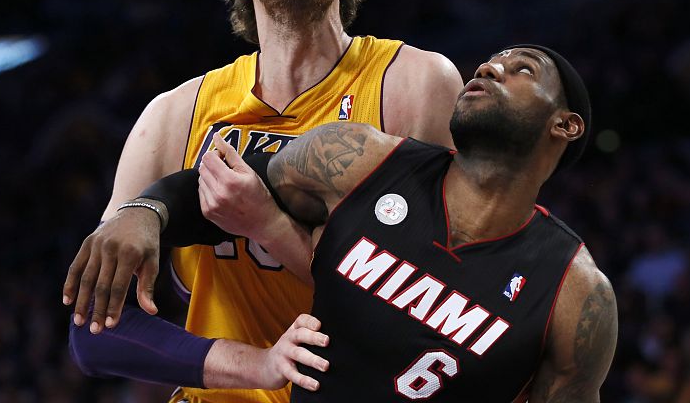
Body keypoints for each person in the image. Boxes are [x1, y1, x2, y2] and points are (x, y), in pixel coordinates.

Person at [63, 0, 463, 403]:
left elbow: (445, 298)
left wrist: (272, 226)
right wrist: (259, 365)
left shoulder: (414, 83)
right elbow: (94, 331)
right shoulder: (174, 116)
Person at [67, 44, 618, 401]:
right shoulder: (360, 158)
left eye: (522, 70)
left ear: (565, 125)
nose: (490, 67)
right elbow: (223, 189)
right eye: (489, 63)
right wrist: (146, 211)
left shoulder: (575, 293)